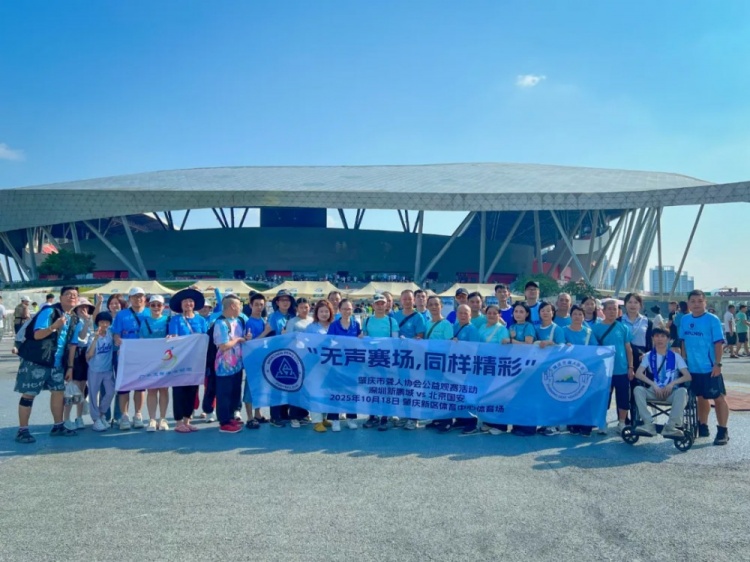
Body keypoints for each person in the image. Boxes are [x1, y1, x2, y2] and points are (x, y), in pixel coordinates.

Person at [14, 286, 81, 443]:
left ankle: (58, 426)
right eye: (68, 294)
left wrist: (70, 367)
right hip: (36, 360)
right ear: (61, 297)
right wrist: (53, 327)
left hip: (57, 363)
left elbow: (72, 345)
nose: (72, 297)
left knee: (58, 392)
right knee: (29, 394)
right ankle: (22, 430)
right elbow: (37, 334)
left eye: (75, 295)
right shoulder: (49, 312)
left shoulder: (74, 318)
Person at [679, 290, 730, 445]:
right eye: (693, 301)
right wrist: (683, 363)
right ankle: (703, 425)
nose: (696, 304)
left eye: (700, 301)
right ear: (688, 303)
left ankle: (722, 430)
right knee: (700, 397)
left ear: (705, 303)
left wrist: (717, 364)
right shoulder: (685, 319)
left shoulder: (712, 319)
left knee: (718, 398)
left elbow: (718, 343)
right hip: (692, 368)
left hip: (709, 368)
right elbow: (682, 342)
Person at [633, 328, 692, 439]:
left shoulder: (676, 356)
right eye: (657, 336)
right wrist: (653, 385)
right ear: (652, 338)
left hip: (671, 392)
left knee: (682, 392)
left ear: (668, 339)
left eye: (663, 336)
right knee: (638, 390)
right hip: (654, 391)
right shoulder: (649, 356)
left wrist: (672, 384)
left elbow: (687, 376)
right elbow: (638, 374)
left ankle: (670, 427)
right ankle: (648, 424)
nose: (659, 339)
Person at [168, 288, 209, 434]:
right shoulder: (175, 320)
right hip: (179, 360)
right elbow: (174, 338)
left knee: (193, 390)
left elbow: (205, 338)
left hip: (196, 361)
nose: (188, 303)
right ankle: (178, 422)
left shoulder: (201, 320)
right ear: (180, 304)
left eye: (190, 301)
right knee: (179, 391)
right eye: (185, 301)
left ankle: (187, 420)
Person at [593, 299, 634, 434]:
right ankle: (602, 422)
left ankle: (621, 422)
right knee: (604, 397)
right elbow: (593, 350)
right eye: (609, 309)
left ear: (618, 311)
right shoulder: (596, 328)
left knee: (623, 397)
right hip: (604, 370)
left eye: (615, 309)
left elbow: (628, 348)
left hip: (621, 369)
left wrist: (631, 367)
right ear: (603, 311)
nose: (612, 311)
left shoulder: (623, 328)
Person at [111, 287, 148, 430]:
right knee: (124, 386)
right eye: (135, 296)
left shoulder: (149, 312)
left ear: (144, 298)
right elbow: (116, 333)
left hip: (143, 354)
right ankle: (124, 415)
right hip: (125, 353)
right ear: (129, 299)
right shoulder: (122, 314)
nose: (138, 299)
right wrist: (117, 341)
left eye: (140, 296)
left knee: (140, 386)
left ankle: (138, 414)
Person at [362, 294, 399, 431]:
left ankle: (385, 417)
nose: (379, 306)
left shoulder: (391, 321)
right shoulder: (367, 321)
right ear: (373, 305)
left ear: (386, 305)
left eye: (382, 303)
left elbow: (395, 342)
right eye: (377, 303)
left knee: (386, 390)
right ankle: (372, 416)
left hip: (387, 360)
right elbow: (364, 339)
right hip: (371, 360)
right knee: (372, 388)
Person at [214, 295, 248, 434]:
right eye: (239, 305)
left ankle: (230, 416)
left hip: (237, 365)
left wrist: (245, 338)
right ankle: (224, 422)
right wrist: (238, 339)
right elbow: (223, 345)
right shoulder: (220, 323)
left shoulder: (238, 321)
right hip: (224, 366)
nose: (241, 308)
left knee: (234, 392)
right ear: (233, 306)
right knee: (224, 394)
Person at [326, 298, 362, 431]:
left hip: (352, 364)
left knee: (351, 391)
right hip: (337, 363)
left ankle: (350, 418)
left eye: (349, 309)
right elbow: (329, 343)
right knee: (336, 391)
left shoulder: (356, 325)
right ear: (340, 310)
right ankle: (335, 419)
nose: (347, 311)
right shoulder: (334, 325)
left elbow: (360, 342)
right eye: (344, 309)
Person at [564, 305, 597, 436]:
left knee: (585, 397)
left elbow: (595, 348)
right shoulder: (563, 330)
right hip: (568, 369)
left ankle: (586, 425)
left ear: (583, 317)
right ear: (570, 316)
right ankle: (573, 424)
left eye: (580, 314)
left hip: (585, 369)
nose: (577, 317)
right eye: (575, 314)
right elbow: (558, 346)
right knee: (571, 396)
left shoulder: (588, 332)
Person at [240, 292, 272, 427]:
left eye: (261, 305)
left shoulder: (264, 321)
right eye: (256, 305)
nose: (259, 307)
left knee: (260, 387)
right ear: (251, 305)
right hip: (252, 360)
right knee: (250, 388)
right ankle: (249, 417)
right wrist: (265, 332)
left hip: (263, 359)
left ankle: (258, 414)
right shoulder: (249, 322)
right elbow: (250, 343)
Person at [63, 297, 95, 431]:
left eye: (86, 307)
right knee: (73, 387)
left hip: (84, 353)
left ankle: (79, 417)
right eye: (81, 307)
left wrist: (87, 321)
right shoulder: (73, 320)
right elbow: (80, 337)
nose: (84, 309)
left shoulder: (87, 320)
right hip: (74, 352)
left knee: (82, 386)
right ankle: (66, 418)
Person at [267, 289, 297, 427]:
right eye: (282, 300)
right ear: (277, 302)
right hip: (277, 355)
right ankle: (275, 416)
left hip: (291, 354)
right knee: (276, 385)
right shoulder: (273, 317)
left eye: (287, 300)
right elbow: (270, 336)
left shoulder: (293, 316)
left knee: (289, 384)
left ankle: (285, 413)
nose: (285, 302)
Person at [141, 295, 170, 431]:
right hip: (150, 359)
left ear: (163, 307)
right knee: (151, 389)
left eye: (159, 305)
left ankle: (162, 418)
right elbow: (141, 340)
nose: (156, 307)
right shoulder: (144, 322)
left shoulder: (168, 320)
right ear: (149, 306)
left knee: (164, 389)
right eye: (153, 305)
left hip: (166, 360)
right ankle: (152, 419)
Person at [508, 302, 536, 436]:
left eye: (521, 311)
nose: (518, 314)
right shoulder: (512, 327)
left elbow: (528, 344)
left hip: (527, 365)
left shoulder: (529, 326)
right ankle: (517, 425)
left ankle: (528, 428)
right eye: (516, 311)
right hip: (515, 365)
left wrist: (511, 341)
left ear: (527, 314)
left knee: (527, 396)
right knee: (516, 396)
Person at [306, 300, 335, 431]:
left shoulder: (334, 326)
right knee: (316, 391)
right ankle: (316, 421)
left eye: (326, 311)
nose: (324, 314)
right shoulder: (311, 327)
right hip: (315, 364)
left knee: (327, 391)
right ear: (316, 313)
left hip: (331, 364)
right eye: (321, 311)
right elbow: (305, 344)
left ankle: (324, 417)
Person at [86, 312, 115, 432]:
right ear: (97, 323)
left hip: (107, 369)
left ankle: (102, 414)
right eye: (102, 322)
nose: (104, 324)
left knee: (110, 392)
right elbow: (89, 355)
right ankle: (95, 419)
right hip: (95, 370)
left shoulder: (110, 334)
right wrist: (95, 339)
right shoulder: (92, 336)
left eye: (107, 322)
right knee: (93, 395)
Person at [619, 293, 653, 371]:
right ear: (625, 304)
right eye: (630, 302)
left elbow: (649, 342)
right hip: (623, 356)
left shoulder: (647, 322)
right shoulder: (619, 321)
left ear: (640, 305)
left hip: (641, 357)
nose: (632, 305)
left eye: (636, 302)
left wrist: (647, 355)